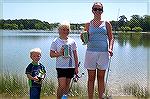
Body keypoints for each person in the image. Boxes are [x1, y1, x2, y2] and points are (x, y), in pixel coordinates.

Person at [81, 2, 114, 99]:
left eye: (100, 9)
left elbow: (111, 38)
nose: (97, 11)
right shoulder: (88, 24)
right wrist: (82, 37)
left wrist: (110, 48)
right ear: (92, 10)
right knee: (91, 78)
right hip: (90, 52)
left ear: (102, 11)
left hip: (103, 53)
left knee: (101, 78)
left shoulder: (106, 23)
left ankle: (101, 97)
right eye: (95, 9)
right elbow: (85, 39)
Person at [50, 21, 79, 99]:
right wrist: (59, 53)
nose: (65, 31)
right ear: (59, 30)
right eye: (63, 29)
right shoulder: (55, 41)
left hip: (71, 66)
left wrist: (76, 67)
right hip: (61, 66)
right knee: (62, 86)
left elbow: (75, 55)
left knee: (67, 86)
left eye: (67, 29)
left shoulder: (72, 41)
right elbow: (51, 55)